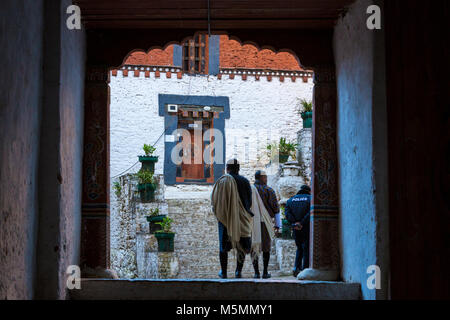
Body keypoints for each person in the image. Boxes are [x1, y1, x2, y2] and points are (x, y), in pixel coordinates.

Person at [211, 159, 253, 279]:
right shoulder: (245, 181)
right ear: (238, 168)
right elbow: (249, 201)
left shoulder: (222, 181)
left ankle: (223, 272)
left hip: (225, 219)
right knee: (242, 247)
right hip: (242, 219)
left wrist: (223, 213)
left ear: (227, 168)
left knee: (223, 247)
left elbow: (215, 200)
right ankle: (238, 271)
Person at [249, 170, 280, 279]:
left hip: (251, 222)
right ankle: (265, 272)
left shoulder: (249, 190)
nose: (266, 179)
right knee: (266, 247)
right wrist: (277, 224)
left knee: (254, 246)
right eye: (265, 177)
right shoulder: (269, 190)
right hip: (265, 222)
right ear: (262, 178)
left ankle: (256, 272)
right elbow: (275, 208)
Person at [285, 185, 311, 277]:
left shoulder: (290, 200)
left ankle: (296, 268)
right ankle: (305, 269)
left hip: (296, 228)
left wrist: (295, 223)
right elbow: (310, 212)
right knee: (306, 248)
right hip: (307, 227)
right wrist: (302, 223)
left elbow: (287, 214)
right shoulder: (310, 199)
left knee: (299, 248)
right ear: (308, 191)